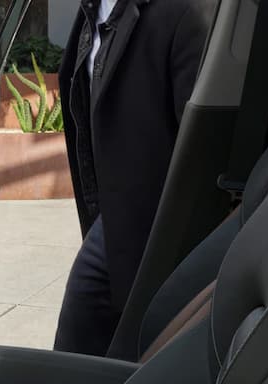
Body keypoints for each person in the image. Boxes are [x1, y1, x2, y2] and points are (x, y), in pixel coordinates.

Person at [52, 0, 216, 356]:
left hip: (157, 226)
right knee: (84, 351)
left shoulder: (184, 13)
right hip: (111, 217)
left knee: (107, 348)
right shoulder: (92, 11)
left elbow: (204, 149)